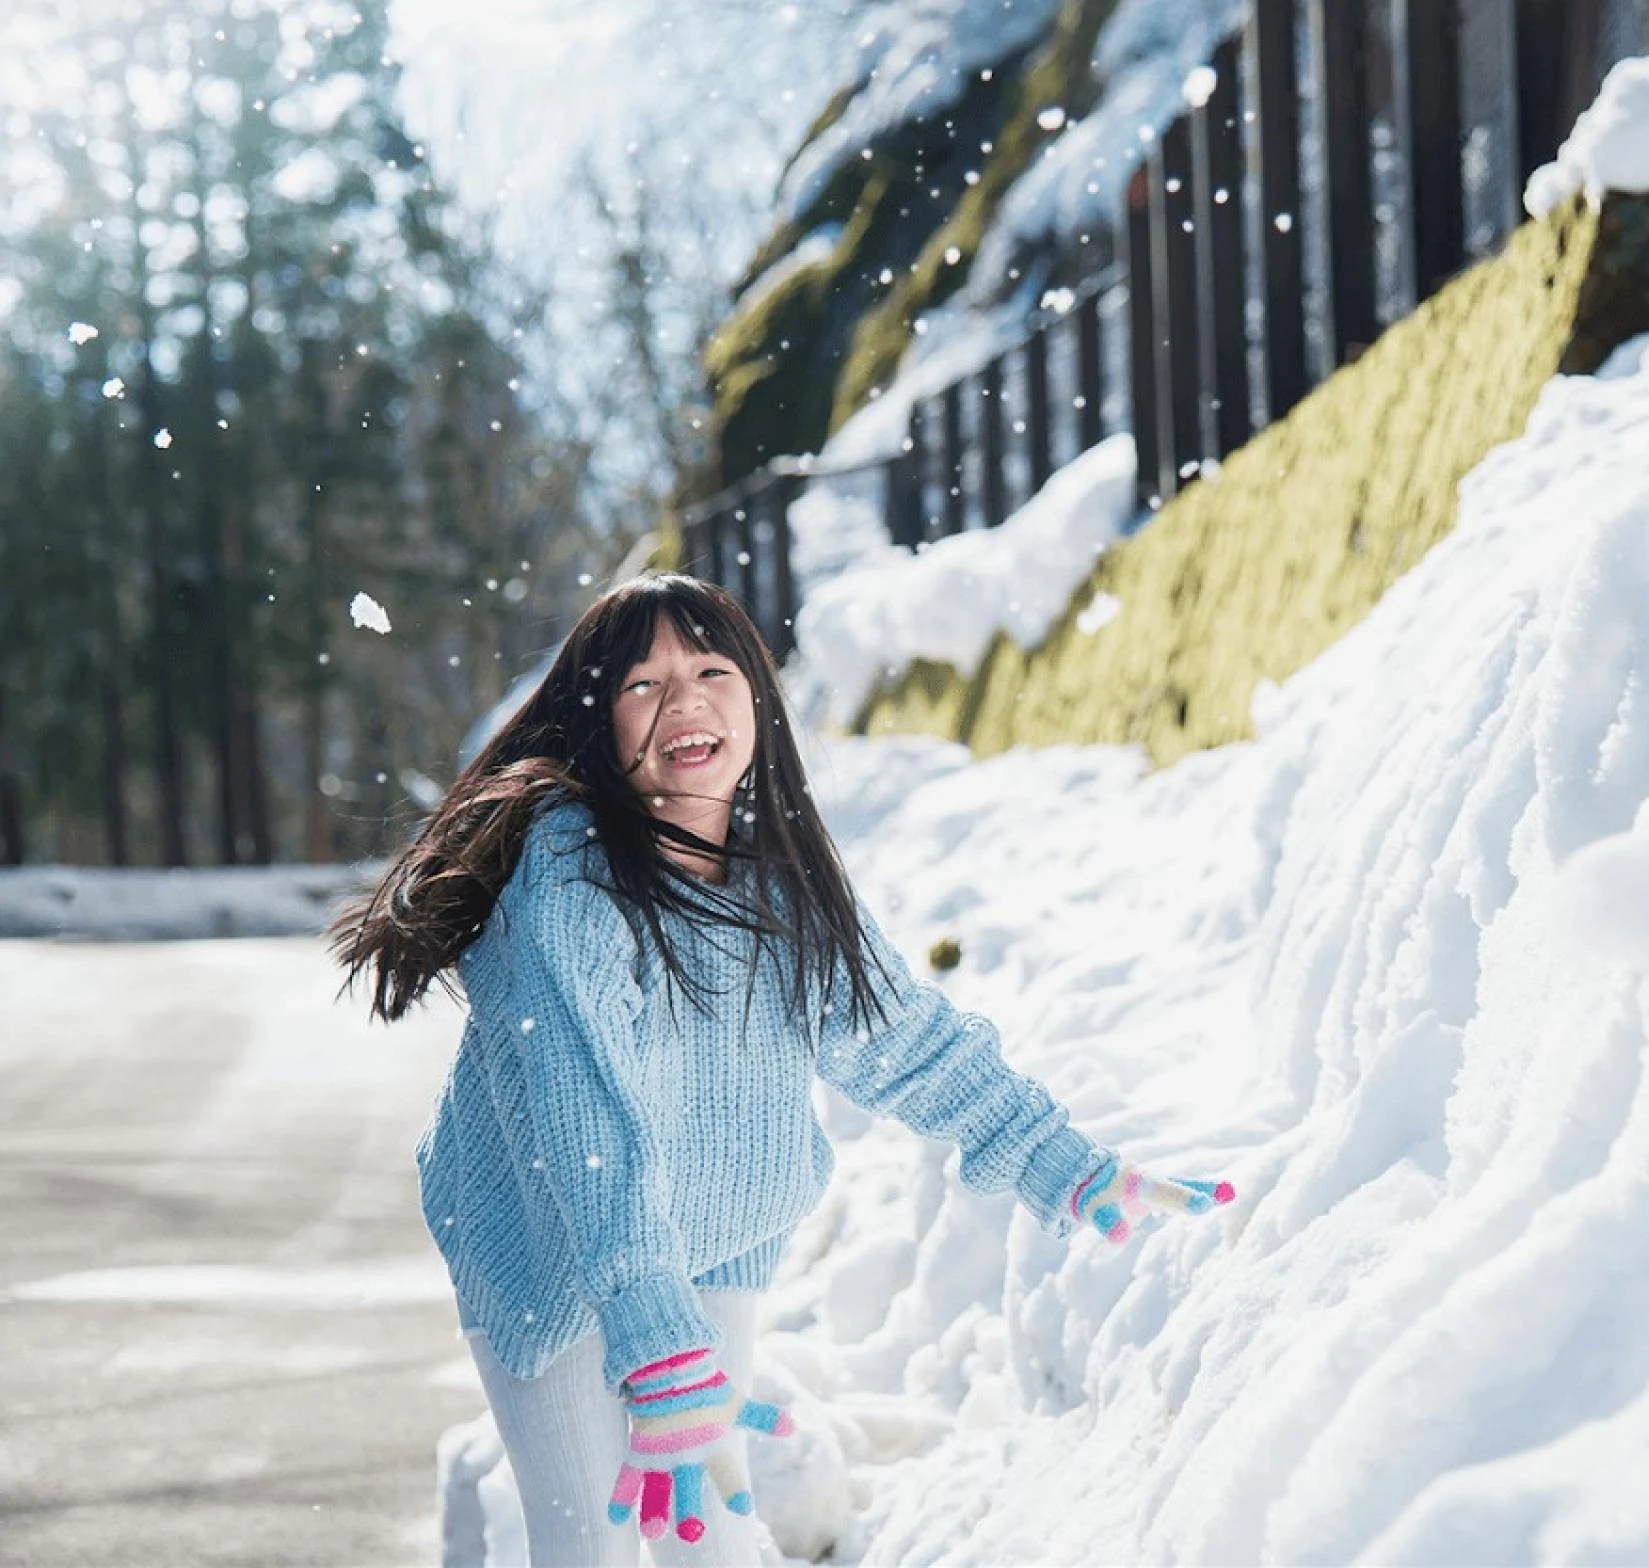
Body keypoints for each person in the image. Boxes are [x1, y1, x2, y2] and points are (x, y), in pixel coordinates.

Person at [333, 572, 1234, 1567]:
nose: (686, 701)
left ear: (758, 697)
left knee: (712, 1533)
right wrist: (653, 1333)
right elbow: (582, 1119)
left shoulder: (779, 883)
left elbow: (904, 1036)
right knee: (590, 1536)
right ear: (598, 726)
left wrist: (1056, 1158)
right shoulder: (568, 883)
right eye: (644, 684)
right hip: (548, 1238)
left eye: (713, 669)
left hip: (715, 1226)